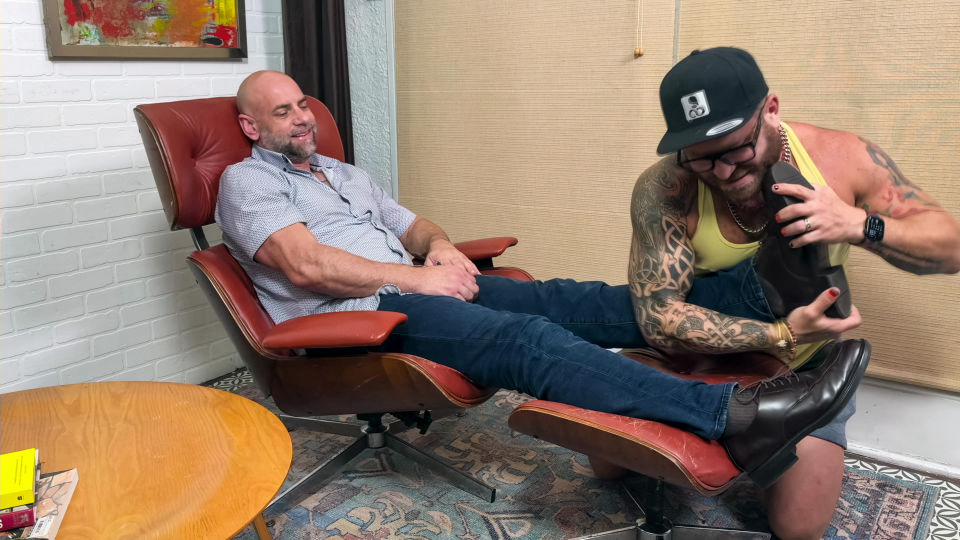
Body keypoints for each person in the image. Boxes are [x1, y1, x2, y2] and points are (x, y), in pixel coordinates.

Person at [215, 70, 868, 498]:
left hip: (413, 288)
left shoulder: (341, 172)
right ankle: (733, 417)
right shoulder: (247, 182)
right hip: (359, 316)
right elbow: (305, 265)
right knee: (528, 339)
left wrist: (440, 251)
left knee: (579, 301)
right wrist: (417, 278)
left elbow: (414, 225)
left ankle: (750, 292)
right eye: (282, 111)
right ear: (251, 127)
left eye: (304, 105)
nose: (302, 118)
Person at [634, 47, 960, 539]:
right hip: (697, 357)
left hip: (800, 374)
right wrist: (778, 332)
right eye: (702, 158)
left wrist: (858, 224)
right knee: (609, 465)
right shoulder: (665, 187)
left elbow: (951, 249)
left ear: (771, 110)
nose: (723, 172)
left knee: (798, 528)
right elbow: (659, 316)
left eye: (736, 149)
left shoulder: (841, 159)